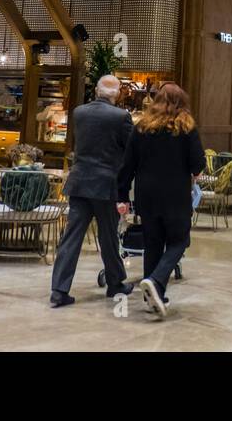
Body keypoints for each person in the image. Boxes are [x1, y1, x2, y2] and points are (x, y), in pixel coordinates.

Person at [116, 82, 205, 318]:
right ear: (181, 103)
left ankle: (153, 298)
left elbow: (127, 165)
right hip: (175, 194)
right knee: (179, 240)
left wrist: (122, 196)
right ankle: (155, 281)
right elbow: (198, 165)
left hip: (147, 194)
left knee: (153, 243)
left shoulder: (142, 127)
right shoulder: (187, 128)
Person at [49, 75, 134, 308]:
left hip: (80, 182)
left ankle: (58, 290)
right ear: (117, 94)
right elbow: (130, 151)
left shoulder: (79, 113)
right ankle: (115, 284)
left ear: (96, 91)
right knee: (108, 237)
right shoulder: (121, 117)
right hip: (106, 185)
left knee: (71, 238)